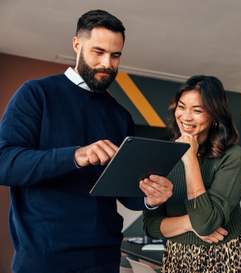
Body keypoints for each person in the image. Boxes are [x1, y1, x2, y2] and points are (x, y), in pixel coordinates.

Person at [0, 10, 173, 273]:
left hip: (104, 258)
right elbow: (4, 164)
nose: (107, 63)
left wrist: (151, 197)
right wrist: (76, 156)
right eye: (98, 52)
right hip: (44, 259)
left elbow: (125, 192)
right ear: (77, 44)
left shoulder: (119, 115)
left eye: (115, 56)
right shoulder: (36, 94)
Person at [143, 75, 241, 272]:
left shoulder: (234, 157)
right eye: (181, 107)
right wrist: (187, 223)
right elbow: (151, 225)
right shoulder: (163, 156)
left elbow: (206, 224)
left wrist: (189, 157)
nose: (186, 116)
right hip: (176, 258)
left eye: (198, 110)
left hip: (223, 258)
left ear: (215, 116)